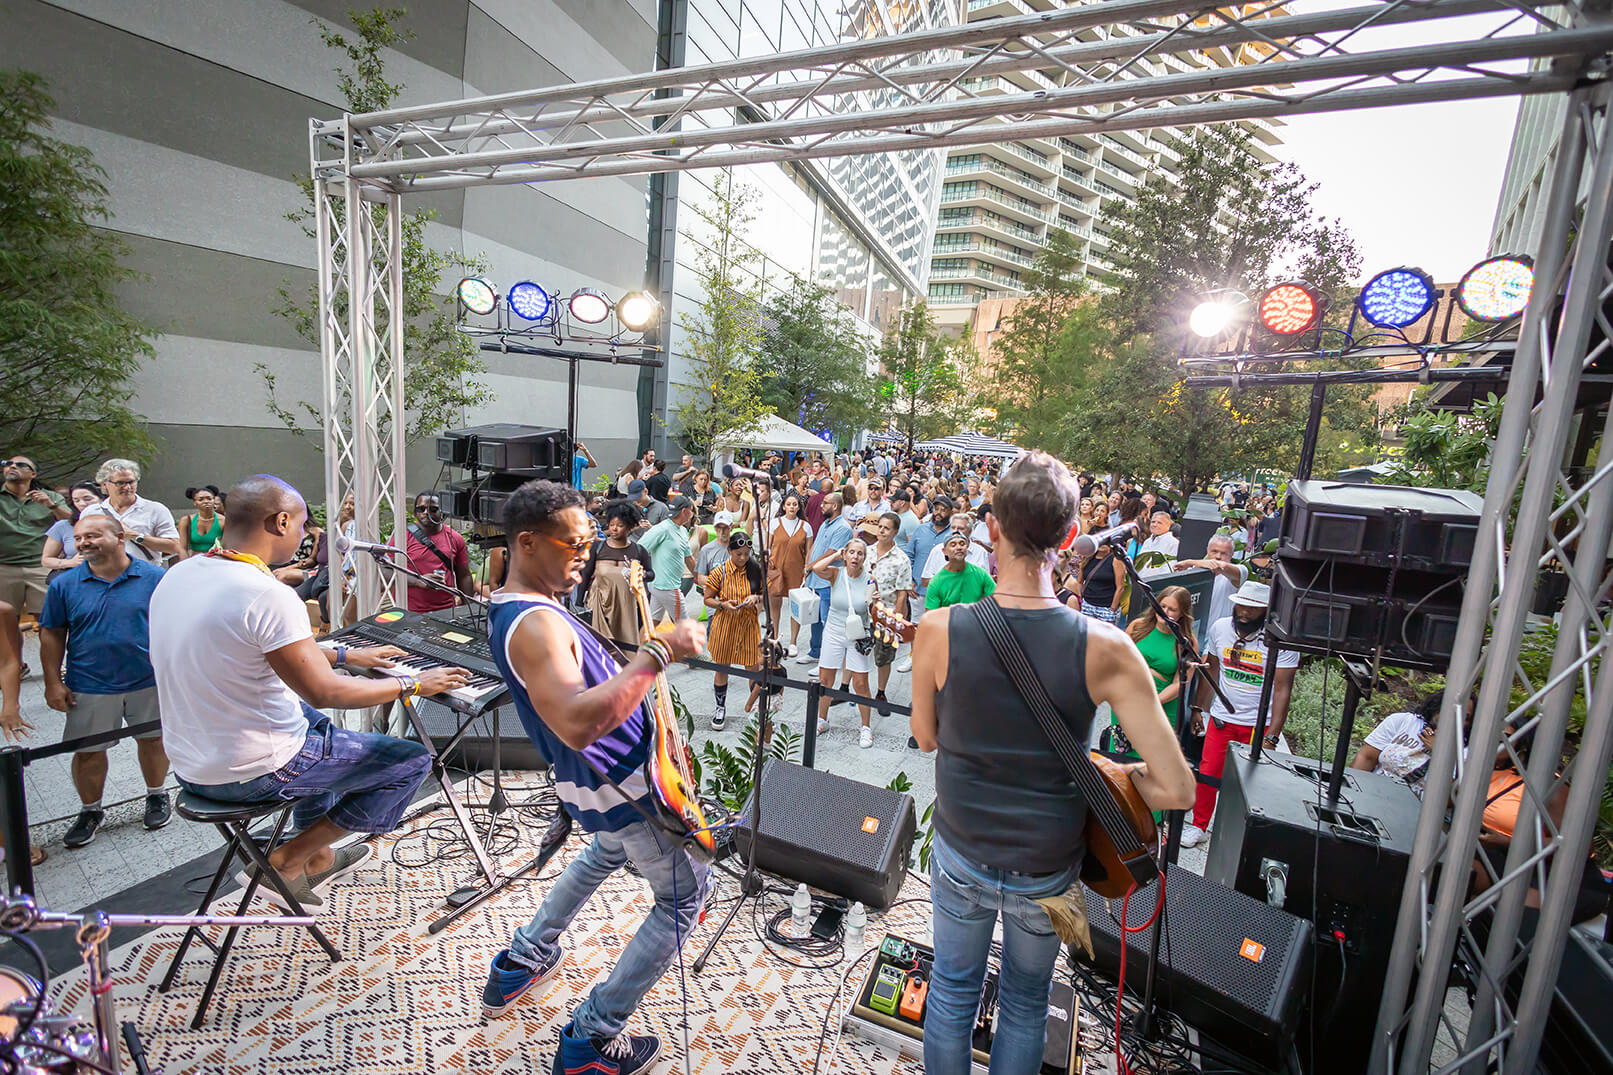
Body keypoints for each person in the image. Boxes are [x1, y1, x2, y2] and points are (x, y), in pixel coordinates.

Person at [909, 451, 1195, 1075]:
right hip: (1052, 872)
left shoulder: (937, 628)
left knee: (953, 994)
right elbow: (1176, 787)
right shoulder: (1107, 646)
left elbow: (925, 739)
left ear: (991, 528)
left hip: (962, 850)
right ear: (1071, 539)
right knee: (1026, 1003)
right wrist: (1115, 776)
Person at [150, 475, 466, 910]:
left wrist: (343, 654)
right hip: (255, 771)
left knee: (317, 730)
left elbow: (240, 645)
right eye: (300, 526)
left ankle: (319, 855)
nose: (302, 536)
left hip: (190, 764)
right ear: (280, 521)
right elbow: (323, 692)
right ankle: (287, 860)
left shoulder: (179, 575)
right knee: (410, 762)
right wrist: (412, 682)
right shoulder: (267, 594)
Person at [478, 479, 707, 1073]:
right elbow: (579, 723)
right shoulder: (536, 624)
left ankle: (526, 955)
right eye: (574, 544)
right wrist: (658, 652)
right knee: (685, 899)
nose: (587, 552)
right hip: (623, 781)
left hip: (603, 783)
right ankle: (593, 1036)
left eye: (589, 541)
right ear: (527, 543)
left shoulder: (522, 606)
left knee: (606, 850)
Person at [40, 514, 172, 846]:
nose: (83, 542)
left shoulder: (156, 578)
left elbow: (175, 627)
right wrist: (53, 682)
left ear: (119, 538)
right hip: (89, 683)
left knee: (154, 740)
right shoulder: (64, 585)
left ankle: (157, 794)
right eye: (79, 537)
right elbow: (52, 635)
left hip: (149, 678)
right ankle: (90, 810)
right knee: (88, 752)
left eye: (93, 535)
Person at [1184, 580, 1299, 848]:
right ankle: (1199, 825)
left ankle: (1238, 834)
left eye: (1253, 608)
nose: (1245, 612)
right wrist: (1199, 708)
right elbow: (1211, 670)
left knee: (1249, 782)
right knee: (1208, 772)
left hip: (1257, 723)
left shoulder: (1279, 640)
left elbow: (1283, 689)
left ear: (1266, 611)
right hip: (1224, 717)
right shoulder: (1221, 627)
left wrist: (1273, 734)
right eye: (1242, 605)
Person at [1111, 586, 1196, 757]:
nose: (1165, 612)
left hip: (1161, 703)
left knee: (1150, 760)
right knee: (1121, 758)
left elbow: (1180, 683)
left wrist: (1153, 702)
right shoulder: (1138, 627)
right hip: (1129, 699)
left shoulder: (1187, 642)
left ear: (1182, 614)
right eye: (1162, 606)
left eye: (1172, 609)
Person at [809, 538, 876, 747]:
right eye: (852, 553)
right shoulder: (836, 574)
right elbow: (816, 567)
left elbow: (871, 611)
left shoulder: (870, 580)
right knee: (825, 678)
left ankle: (865, 727)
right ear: (846, 555)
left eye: (860, 553)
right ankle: (822, 719)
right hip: (834, 630)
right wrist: (836, 555)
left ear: (865, 557)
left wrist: (876, 602)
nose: (855, 557)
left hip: (857, 633)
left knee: (860, 682)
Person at [703, 531, 763, 730]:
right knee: (722, 667)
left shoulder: (755, 570)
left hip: (748, 625)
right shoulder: (719, 572)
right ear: (730, 551)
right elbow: (707, 599)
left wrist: (756, 599)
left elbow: (763, 596)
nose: (743, 558)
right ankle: (720, 707)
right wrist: (722, 604)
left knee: (753, 667)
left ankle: (756, 708)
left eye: (746, 554)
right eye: (739, 554)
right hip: (725, 625)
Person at [1, 454, 70, 615]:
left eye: (20, 465)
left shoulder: (50, 496)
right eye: (9, 464)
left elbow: (72, 523)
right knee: (5, 622)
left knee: (49, 620)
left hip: (40, 566)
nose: (12, 466)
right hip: (3, 567)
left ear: (33, 474)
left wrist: (52, 506)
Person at [579, 502, 653, 644]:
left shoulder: (638, 550)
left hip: (628, 604)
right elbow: (586, 573)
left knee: (627, 643)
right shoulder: (598, 547)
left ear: (629, 527)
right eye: (612, 525)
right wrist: (580, 601)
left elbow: (651, 574)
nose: (614, 529)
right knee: (601, 643)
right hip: (601, 603)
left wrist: (641, 574)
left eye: (620, 525)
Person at [83, 459, 181, 563]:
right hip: (103, 573)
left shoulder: (155, 509)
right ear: (104, 484)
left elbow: (174, 546)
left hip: (143, 574)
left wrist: (135, 536)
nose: (127, 487)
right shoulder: (91, 512)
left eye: (131, 482)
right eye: (120, 483)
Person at [866, 512, 914, 713]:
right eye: (880, 526)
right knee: (856, 652)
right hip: (862, 613)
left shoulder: (901, 559)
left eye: (886, 528)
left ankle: (881, 692)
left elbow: (902, 594)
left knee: (883, 657)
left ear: (895, 532)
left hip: (885, 615)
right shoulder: (866, 551)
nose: (881, 530)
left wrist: (896, 620)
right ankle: (849, 689)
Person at [1350, 693, 1443, 792]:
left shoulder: (1459, 749)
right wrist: (1352, 792)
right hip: (1373, 793)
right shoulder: (1403, 721)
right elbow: (1366, 757)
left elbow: (1450, 797)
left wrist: (1440, 753)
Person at [800, 493, 852, 667]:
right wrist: (808, 564)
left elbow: (831, 553)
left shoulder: (843, 528)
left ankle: (828, 660)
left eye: (825, 503)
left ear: (835, 506)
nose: (821, 505)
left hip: (827, 581)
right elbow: (815, 544)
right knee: (814, 618)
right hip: (815, 578)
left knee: (827, 621)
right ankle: (815, 652)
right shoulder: (825, 523)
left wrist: (812, 566)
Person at [404, 492, 474, 613]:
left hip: (446, 611)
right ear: (415, 513)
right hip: (410, 611)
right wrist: (417, 581)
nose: (426, 512)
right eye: (421, 509)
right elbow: (385, 571)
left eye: (433, 509)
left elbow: (464, 575)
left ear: (443, 513)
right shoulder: (402, 536)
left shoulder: (455, 538)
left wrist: (469, 609)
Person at [766, 491, 813, 657]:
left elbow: (808, 550)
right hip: (776, 569)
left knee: (795, 607)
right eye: (789, 504)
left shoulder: (805, 526)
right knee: (774, 606)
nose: (792, 507)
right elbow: (767, 546)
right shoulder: (774, 523)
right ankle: (775, 639)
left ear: (799, 507)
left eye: (795, 504)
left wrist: (807, 568)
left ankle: (793, 641)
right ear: (783, 506)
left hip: (796, 570)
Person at [637, 496, 696, 625]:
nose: (692, 514)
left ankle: (642, 644)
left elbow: (689, 558)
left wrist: (700, 578)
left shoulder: (682, 531)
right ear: (684, 511)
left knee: (652, 623)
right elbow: (639, 549)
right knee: (684, 627)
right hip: (668, 588)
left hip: (660, 586)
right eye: (691, 510)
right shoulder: (661, 529)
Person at [1171, 532, 1247, 629]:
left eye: (1224, 553)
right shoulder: (1193, 572)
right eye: (1214, 551)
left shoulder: (1240, 571)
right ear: (1207, 550)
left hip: (1220, 633)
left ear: (1232, 554)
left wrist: (1189, 562)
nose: (1218, 556)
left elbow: (1220, 566)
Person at [42, 481, 104, 579]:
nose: (82, 504)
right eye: (76, 500)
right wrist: (70, 562)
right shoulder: (63, 526)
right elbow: (46, 559)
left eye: (87, 499)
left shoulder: (117, 522)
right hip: (76, 579)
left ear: (102, 499)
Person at [925, 532, 996, 611]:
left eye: (962, 544)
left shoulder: (981, 574)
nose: (959, 547)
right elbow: (931, 616)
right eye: (953, 545)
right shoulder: (937, 582)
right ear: (944, 551)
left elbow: (997, 599)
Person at [907, 495, 954, 603]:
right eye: (936, 509)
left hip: (944, 593)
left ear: (951, 513)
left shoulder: (953, 534)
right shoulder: (920, 529)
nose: (938, 513)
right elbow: (909, 555)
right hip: (918, 591)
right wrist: (909, 581)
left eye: (943, 510)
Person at [1073, 542, 1124, 624]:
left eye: (1106, 542)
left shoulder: (1115, 560)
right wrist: (1081, 599)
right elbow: (1079, 581)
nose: (1103, 544)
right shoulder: (1087, 558)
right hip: (1087, 604)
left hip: (1106, 607)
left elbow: (1120, 587)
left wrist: (1112, 608)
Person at [177, 485, 225, 557]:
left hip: (217, 561)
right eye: (201, 499)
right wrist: (184, 565)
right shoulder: (186, 520)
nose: (206, 502)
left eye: (209, 499)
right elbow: (182, 549)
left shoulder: (223, 521)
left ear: (214, 500)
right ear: (194, 502)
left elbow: (228, 546)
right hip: (194, 561)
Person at [1136, 510, 1179, 578]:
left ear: (1168, 526)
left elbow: (1170, 569)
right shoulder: (1147, 541)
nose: (1155, 525)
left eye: (1159, 523)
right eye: (1153, 522)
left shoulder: (1173, 543)